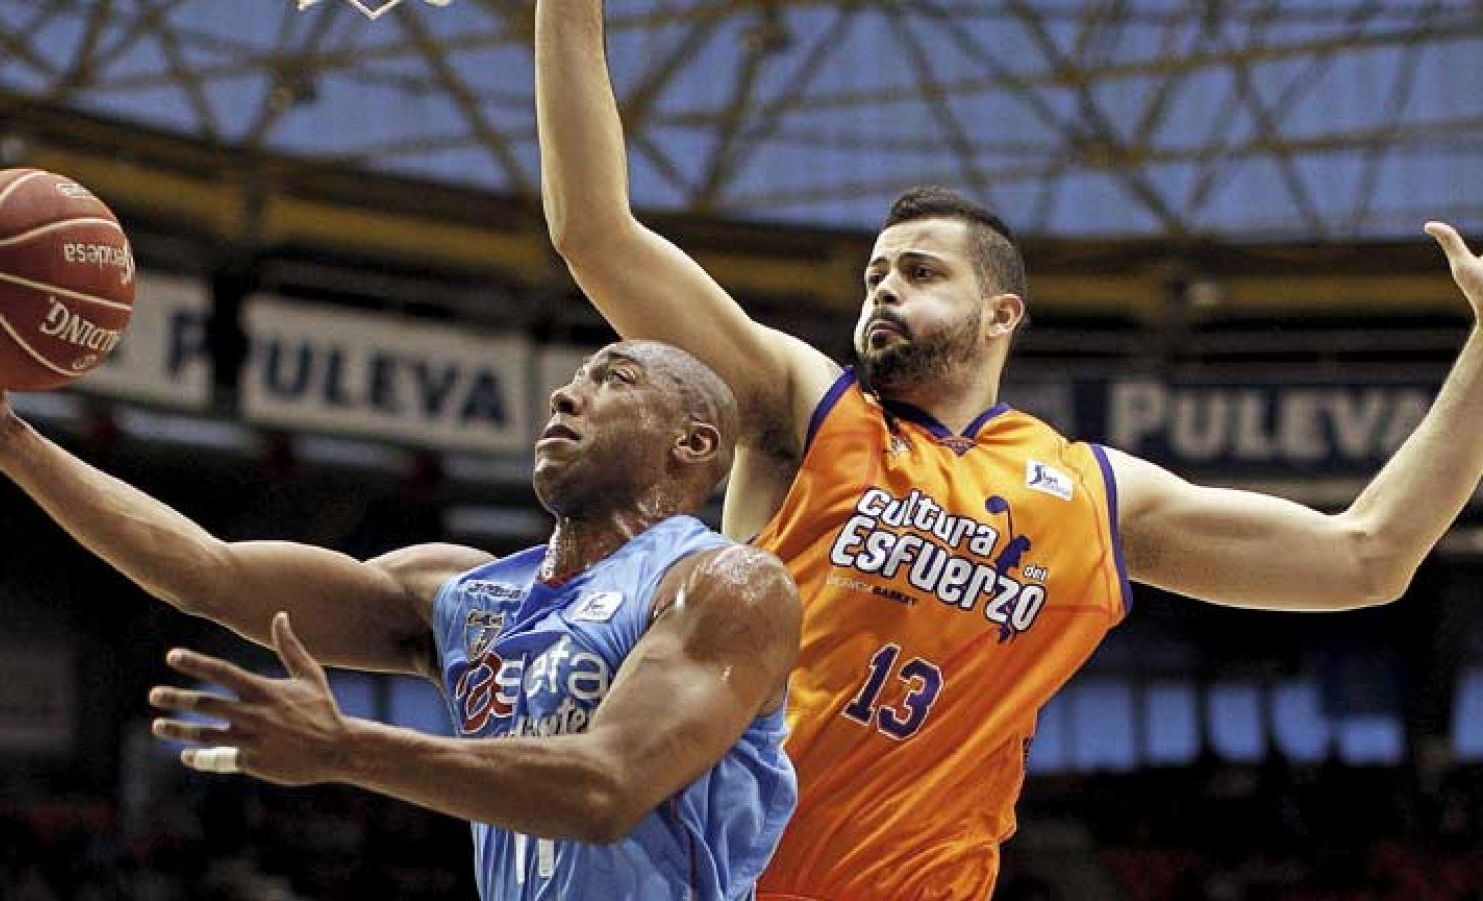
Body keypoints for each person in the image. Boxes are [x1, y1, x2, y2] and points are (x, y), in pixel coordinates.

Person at [533, 3, 1483, 898]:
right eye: (874, 272)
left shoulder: (1093, 494)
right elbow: (596, 234)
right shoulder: (803, 411)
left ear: (1001, 314)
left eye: (918, 270)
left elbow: (1369, 554)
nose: (883, 290)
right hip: (713, 876)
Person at [0, 261, 802, 901]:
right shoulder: (464, 594)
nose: (567, 396)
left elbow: (603, 790)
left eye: (613, 379)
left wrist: (345, 749)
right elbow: (205, 572)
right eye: (569, 379)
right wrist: (5, 439)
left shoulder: (726, 584)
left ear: (692, 444)